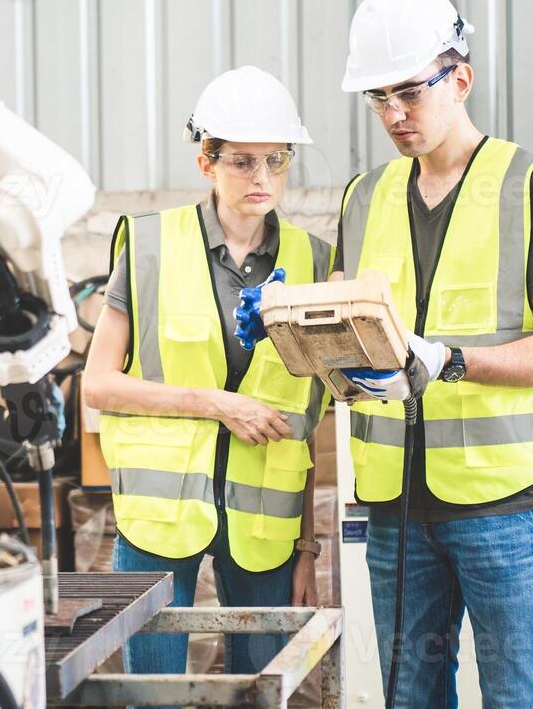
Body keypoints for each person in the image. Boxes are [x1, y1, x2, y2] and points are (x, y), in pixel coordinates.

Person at [333, 0, 533, 707]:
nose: (393, 114)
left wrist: (448, 362)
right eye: (378, 97)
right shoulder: (364, 197)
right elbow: (345, 327)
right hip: (395, 509)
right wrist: (294, 327)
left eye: (409, 92)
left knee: (515, 698)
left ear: (461, 79)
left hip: (502, 508)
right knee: (409, 698)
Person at [82, 65, 336, 690]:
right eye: (242, 162)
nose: (261, 177)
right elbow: (98, 384)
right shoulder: (149, 246)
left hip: (266, 521)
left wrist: (307, 548)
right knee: (155, 697)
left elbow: (304, 423)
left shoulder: (314, 263)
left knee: (261, 693)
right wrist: (218, 404)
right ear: (207, 163)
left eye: (276, 160)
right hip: (158, 516)